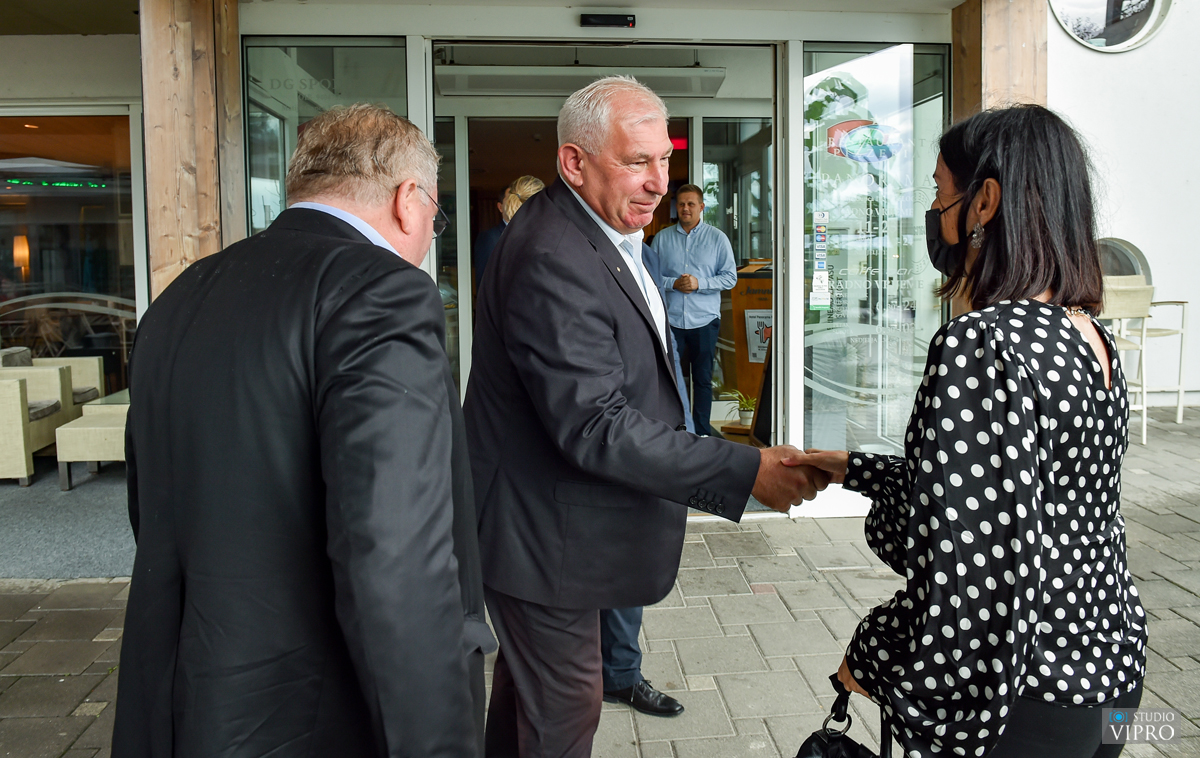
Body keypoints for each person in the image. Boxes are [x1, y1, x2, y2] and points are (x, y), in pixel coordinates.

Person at [464, 75, 828, 758]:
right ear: (574, 162)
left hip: (553, 529)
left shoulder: (597, 230)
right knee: (566, 706)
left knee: (528, 700)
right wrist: (744, 469)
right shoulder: (552, 254)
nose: (660, 183)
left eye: (664, 159)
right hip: (539, 535)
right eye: (637, 162)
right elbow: (595, 424)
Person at [113, 104, 493, 758]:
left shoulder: (179, 297)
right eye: (436, 217)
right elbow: (396, 559)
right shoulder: (381, 292)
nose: (431, 236)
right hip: (310, 716)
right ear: (408, 200)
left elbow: (151, 506)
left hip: (179, 706)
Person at [797, 105, 1147, 758]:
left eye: (938, 191)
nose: (933, 212)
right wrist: (857, 469)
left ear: (984, 202)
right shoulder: (1090, 336)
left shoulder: (984, 342)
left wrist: (874, 653)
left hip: (1022, 695)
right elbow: (1032, 497)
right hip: (1111, 677)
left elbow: (966, 568)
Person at [599, 243, 691, 720]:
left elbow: (662, 346)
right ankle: (616, 672)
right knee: (616, 554)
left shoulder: (646, 257)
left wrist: (684, 425)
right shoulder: (571, 251)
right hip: (611, 434)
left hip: (649, 431)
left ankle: (617, 670)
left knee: (630, 553)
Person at [650, 183, 737, 436]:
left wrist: (700, 284)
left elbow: (730, 277)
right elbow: (650, 276)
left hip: (704, 321)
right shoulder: (662, 239)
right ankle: (674, 433)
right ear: (676, 207)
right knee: (669, 380)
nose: (685, 208)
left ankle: (701, 434)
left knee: (702, 380)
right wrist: (673, 283)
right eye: (681, 204)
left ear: (702, 207)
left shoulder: (717, 238)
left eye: (691, 204)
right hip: (671, 322)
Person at [474, 186, 509, 288]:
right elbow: (484, 283)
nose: (515, 204)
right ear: (500, 207)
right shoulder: (489, 238)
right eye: (510, 200)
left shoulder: (531, 234)